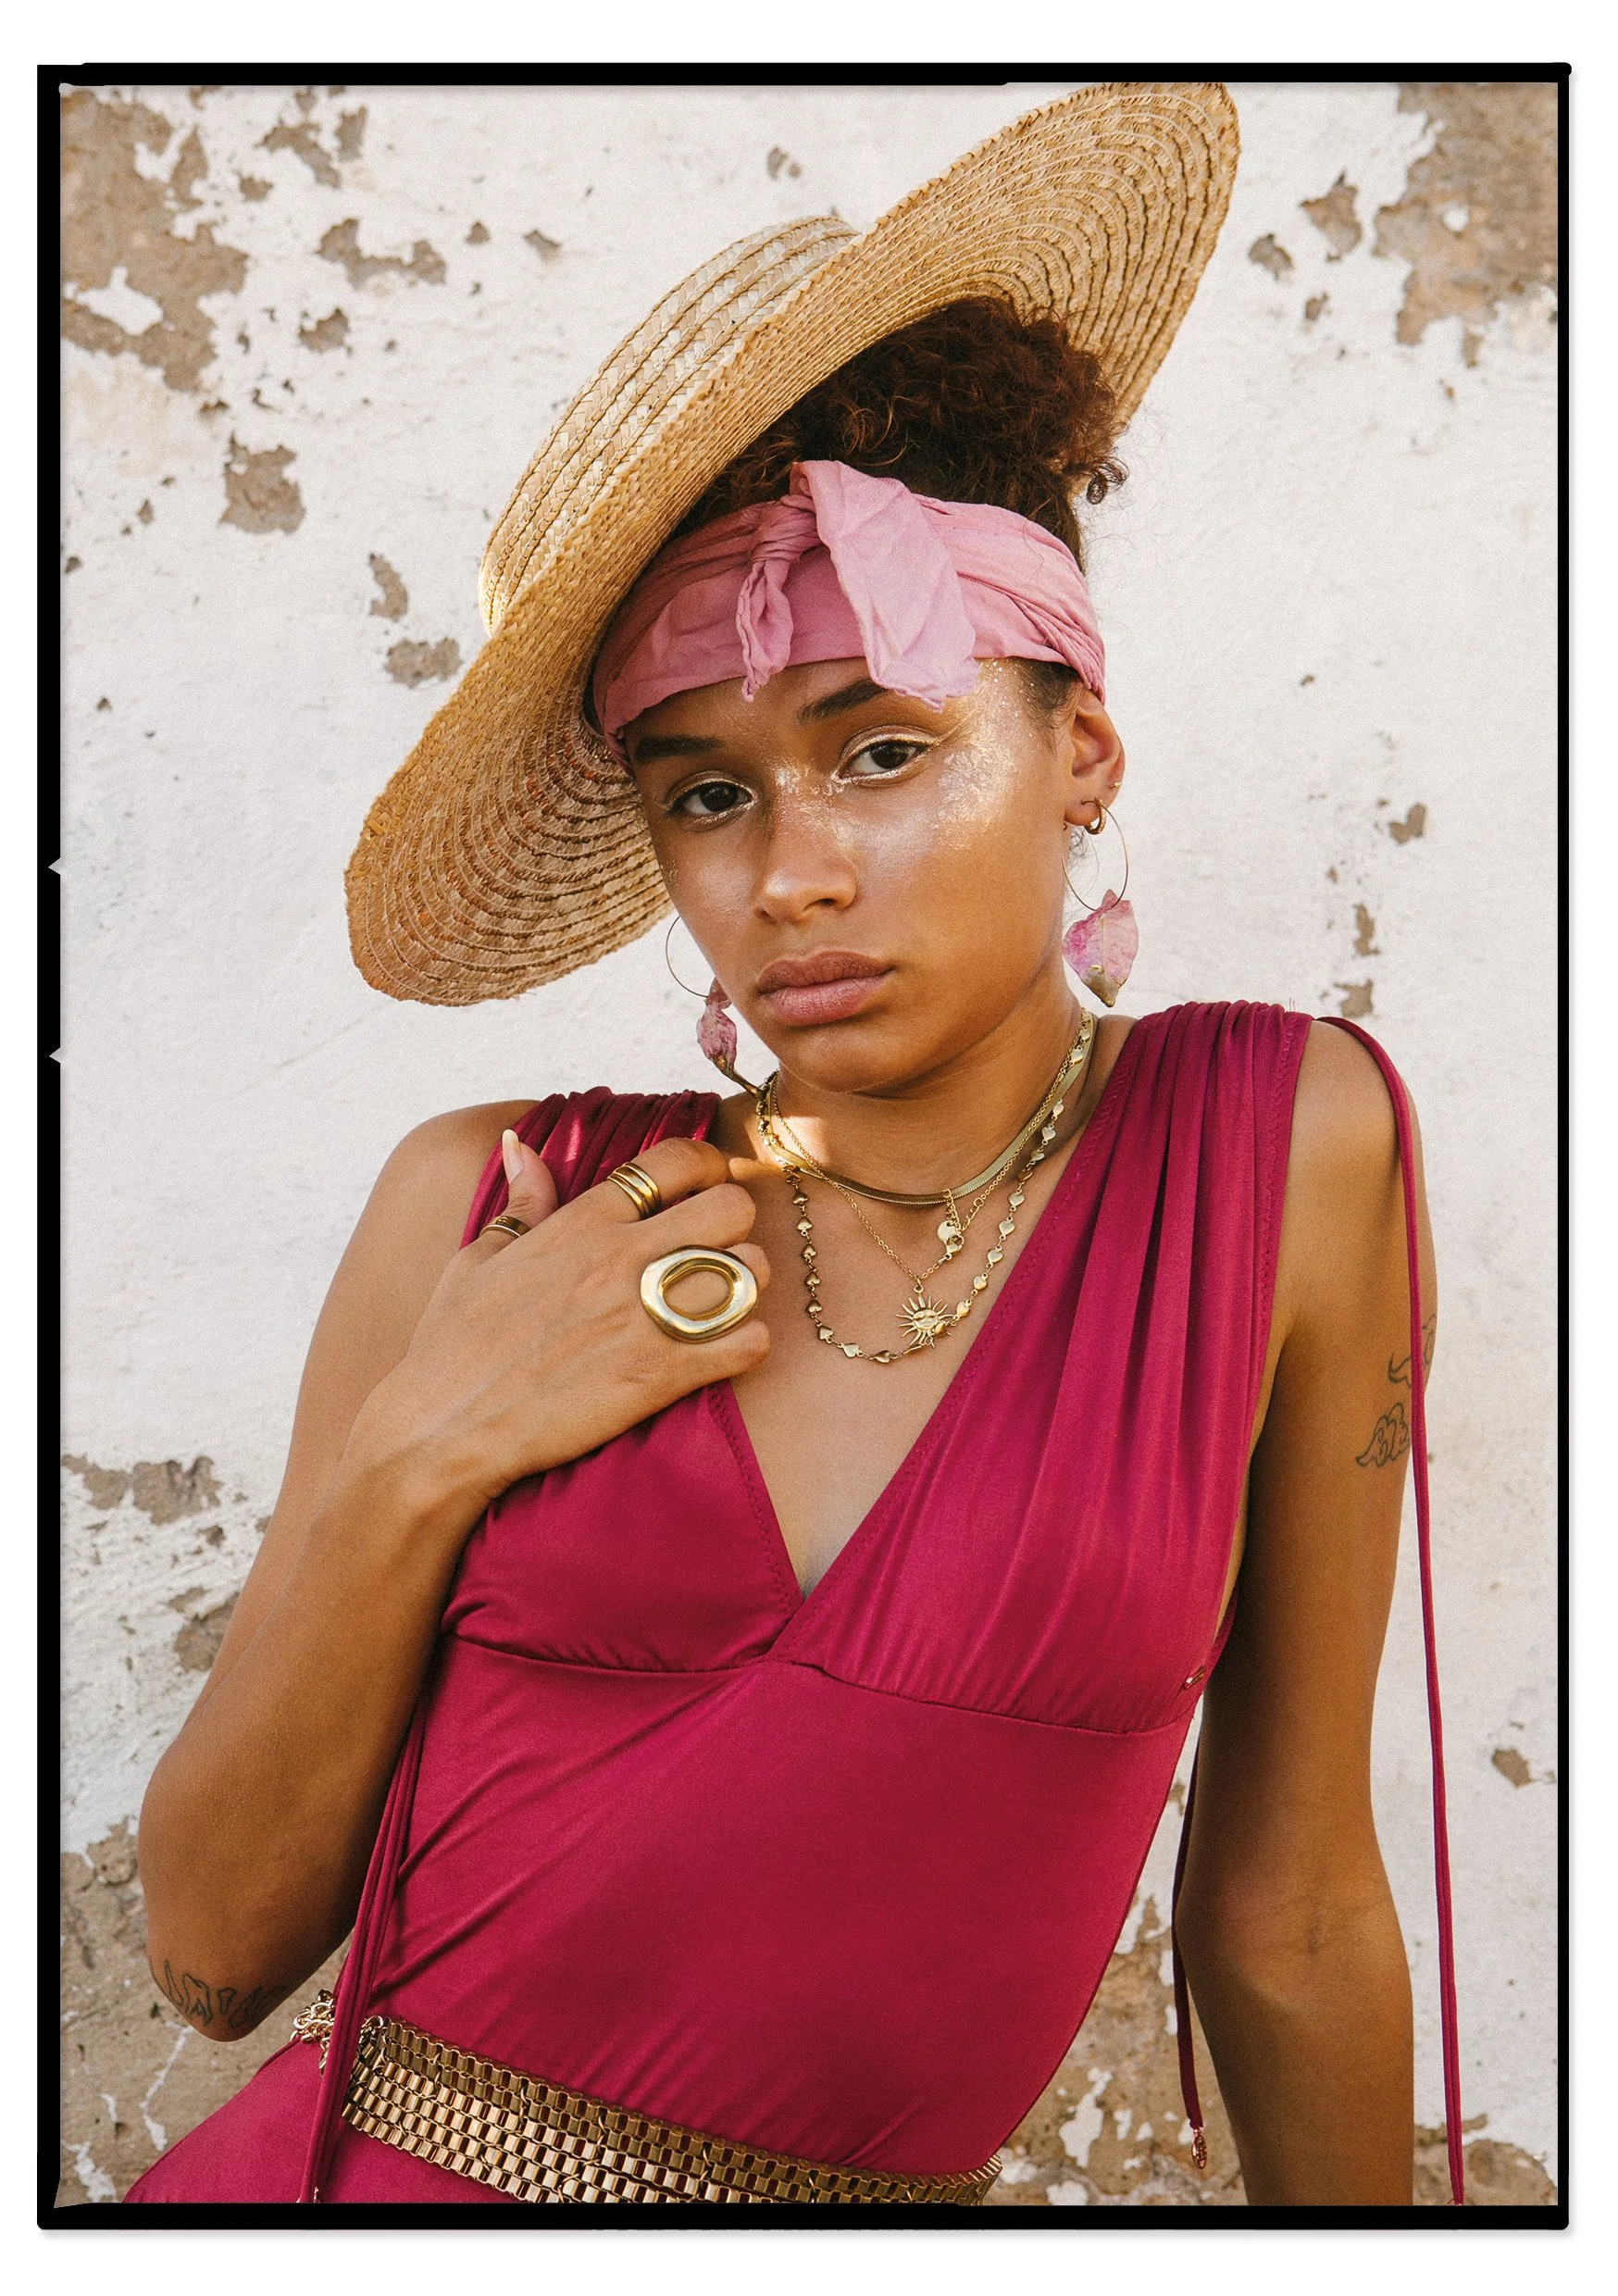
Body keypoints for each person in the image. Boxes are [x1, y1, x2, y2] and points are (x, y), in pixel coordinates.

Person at [126, 84, 1462, 2210]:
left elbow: (1289, 1910)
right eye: (708, 792)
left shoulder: (1280, 1150)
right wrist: (424, 1448)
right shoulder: (498, 1204)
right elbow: (210, 1953)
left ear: (1079, 749)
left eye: (886, 750)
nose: (793, 872)